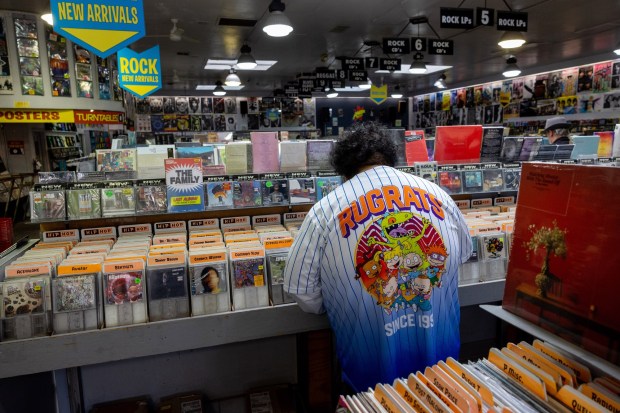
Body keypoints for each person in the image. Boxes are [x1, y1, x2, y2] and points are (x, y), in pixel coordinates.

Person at [283, 122, 473, 392]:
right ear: (390, 159)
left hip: (369, 386)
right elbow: (464, 255)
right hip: (443, 378)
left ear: (343, 172)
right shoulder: (440, 196)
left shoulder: (324, 212)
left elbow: (302, 294)